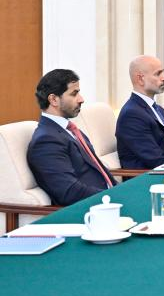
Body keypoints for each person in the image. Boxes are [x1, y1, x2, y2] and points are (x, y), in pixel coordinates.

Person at [26, 69, 114, 206]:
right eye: (74, 94)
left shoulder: (71, 130)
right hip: (93, 209)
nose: (81, 99)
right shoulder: (46, 142)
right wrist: (113, 197)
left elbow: (100, 172)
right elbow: (69, 192)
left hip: (108, 200)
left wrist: (122, 192)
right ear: (53, 99)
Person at [116, 55, 164, 169]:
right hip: (155, 176)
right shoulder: (131, 115)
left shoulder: (158, 109)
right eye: (158, 74)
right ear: (140, 79)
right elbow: (156, 160)